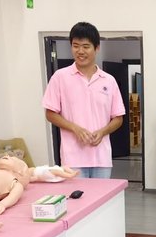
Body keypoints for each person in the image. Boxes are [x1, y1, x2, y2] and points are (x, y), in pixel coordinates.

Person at [42, 22, 125, 179]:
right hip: (73, 158)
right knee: (77, 195)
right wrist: (75, 128)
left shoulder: (109, 80)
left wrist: (102, 132)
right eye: (76, 46)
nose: (80, 51)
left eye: (86, 46)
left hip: (101, 158)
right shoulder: (60, 77)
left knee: (102, 195)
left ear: (97, 48)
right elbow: (50, 113)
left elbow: (118, 118)